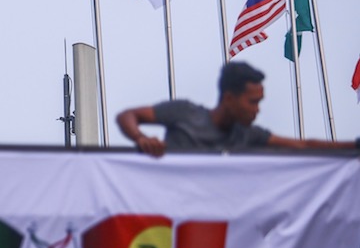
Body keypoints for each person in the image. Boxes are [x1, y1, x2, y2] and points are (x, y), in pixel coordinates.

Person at [116, 61, 360, 157]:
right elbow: (128, 116)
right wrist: (141, 139)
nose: (257, 111)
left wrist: (354, 147)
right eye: (252, 102)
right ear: (230, 98)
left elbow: (304, 146)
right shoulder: (185, 113)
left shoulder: (247, 135)